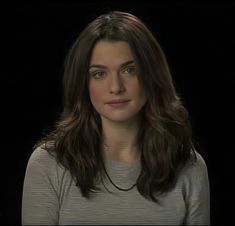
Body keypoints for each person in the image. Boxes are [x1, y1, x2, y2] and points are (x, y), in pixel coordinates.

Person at [22, 11, 210, 225]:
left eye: (129, 70)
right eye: (99, 74)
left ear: (152, 75)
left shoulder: (189, 166)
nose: (116, 87)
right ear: (83, 84)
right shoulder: (48, 164)